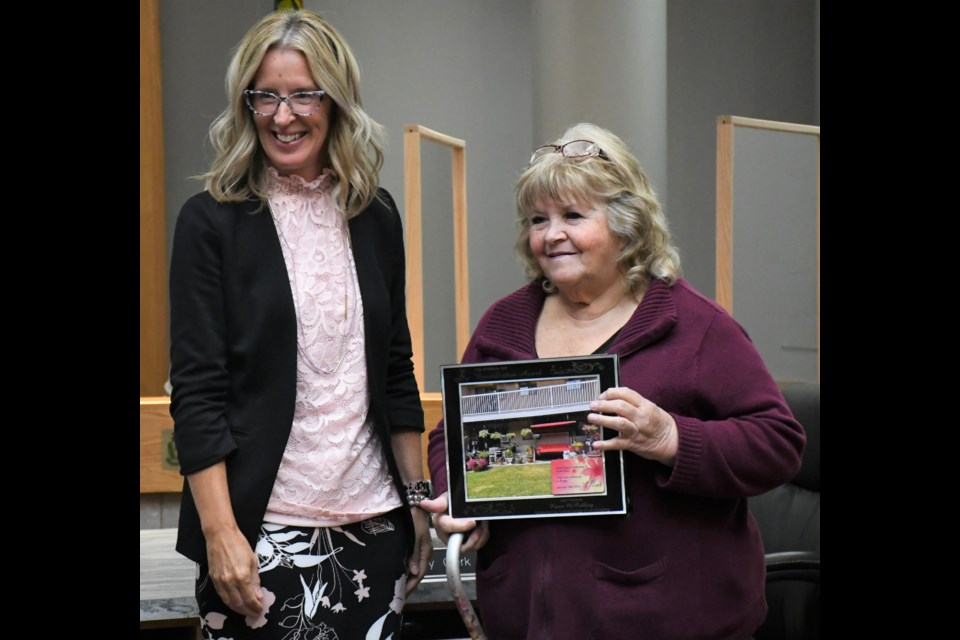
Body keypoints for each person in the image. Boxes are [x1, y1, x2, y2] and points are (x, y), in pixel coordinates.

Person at [421, 123, 805, 639]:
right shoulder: (502, 324)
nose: (551, 234)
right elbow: (452, 434)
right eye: (538, 219)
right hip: (530, 619)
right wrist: (459, 500)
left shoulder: (694, 326)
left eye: (574, 216)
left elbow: (778, 443)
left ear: (627, 226)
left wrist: (671, 438)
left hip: (667, 621)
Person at [169, 10, 431, 639]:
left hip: (373, 528)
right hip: (260, 536)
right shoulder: (211, 222)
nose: (283, 116)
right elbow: (198, 394)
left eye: (303, 95)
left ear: (336, 102)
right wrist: (221, 535)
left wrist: (417, 502)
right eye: (266, 96)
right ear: (246, 105)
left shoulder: (376, 215)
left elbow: (395, 367)